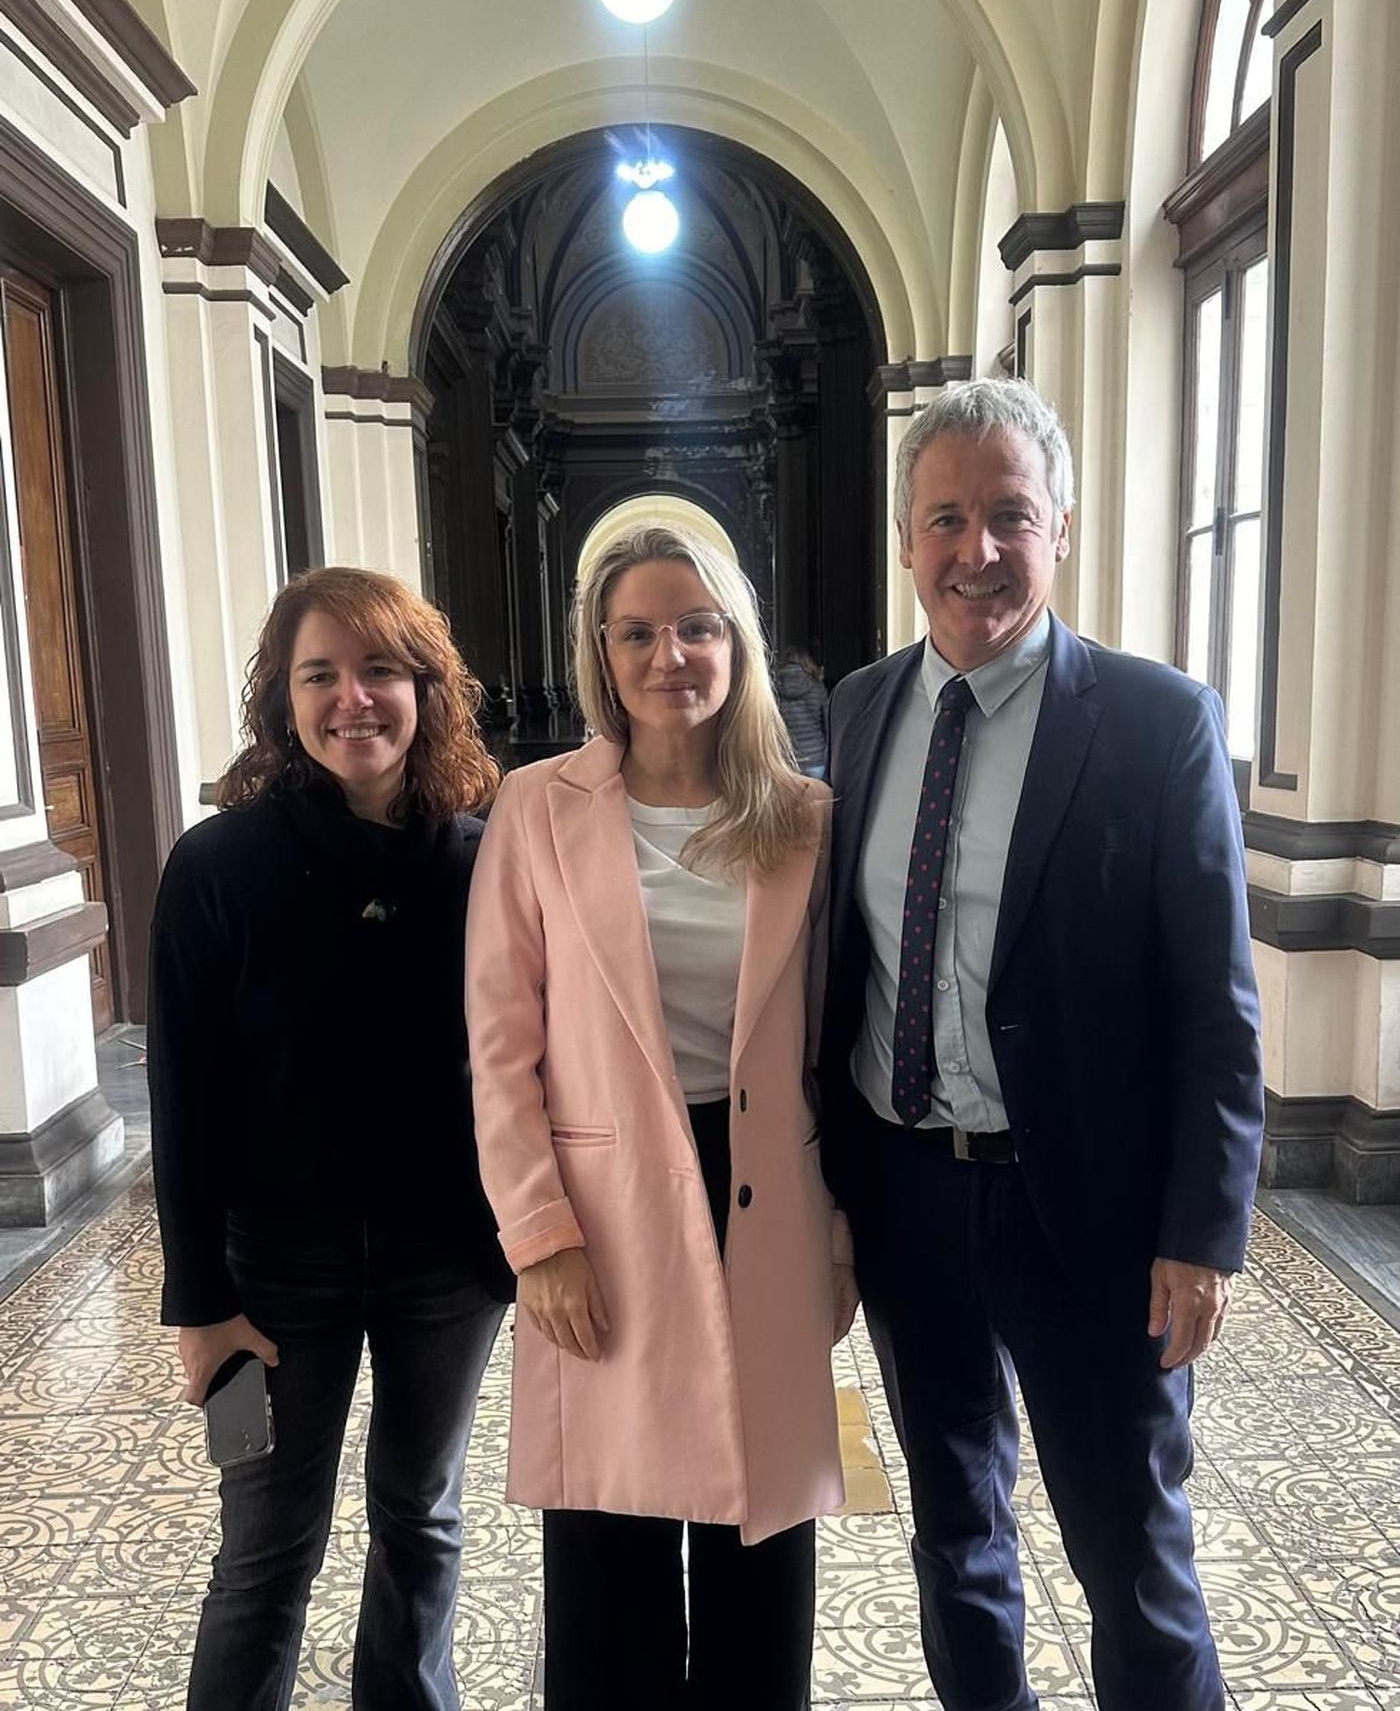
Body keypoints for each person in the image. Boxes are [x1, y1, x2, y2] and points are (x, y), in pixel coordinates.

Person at [818, 378, 1264, 1711]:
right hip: (906, 1194)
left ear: (1059, 526)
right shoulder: (856, 711)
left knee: (1131, 1559)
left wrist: (1206, 1228)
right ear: (907, 540)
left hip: (1092, 1213)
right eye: (945, 519)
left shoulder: (1153, 721)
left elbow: (1215, 1001)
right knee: (956, 1534)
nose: (978, 550)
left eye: (1009, 514)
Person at [466, 524, 858, 1711]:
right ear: (601, 650)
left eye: (695, 626)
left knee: (759, 1545)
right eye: (637, 630)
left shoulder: (802, 816)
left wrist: (837, 1238)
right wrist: (538, 1238)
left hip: (766, 1197)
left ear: (734, 638)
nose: (669, 653)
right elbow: (499, 1045)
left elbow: (834, 1043)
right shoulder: (535, 808)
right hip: (605, 1208)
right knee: (608, 1556)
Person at [148, 566, 513, 1711]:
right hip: (268, 1273)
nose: (352, 699)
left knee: (423, 1517)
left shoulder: (481, 862)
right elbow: (180, 1099)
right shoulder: (216, 868)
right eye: (320, 676)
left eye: (380, 672)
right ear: (282, 702)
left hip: (446, 1268)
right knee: (263, 1548)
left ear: (426, 690)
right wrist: (198, 1302)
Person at [773, 646, 830, 779]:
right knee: (818, 798)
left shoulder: (775, 692)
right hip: (816, 758)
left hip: (788, 760)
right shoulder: (817, 688)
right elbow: (828, 723)